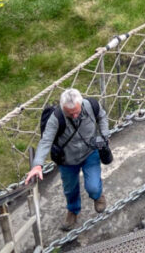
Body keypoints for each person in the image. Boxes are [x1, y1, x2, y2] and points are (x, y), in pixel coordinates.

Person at [25, 89, 110, 231]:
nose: (75, 116)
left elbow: (102, 116)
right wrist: (37, 164)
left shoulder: (91, 106)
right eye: (70, 114)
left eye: (77, 111)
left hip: (90, 153)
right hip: (67, 160)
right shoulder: (56, 118)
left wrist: (105, 135)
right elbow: (46, 140)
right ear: (63, 109)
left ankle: (97, 196)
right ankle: (73, 210)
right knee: (70, 190)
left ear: (81, 104)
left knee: (93, 186)